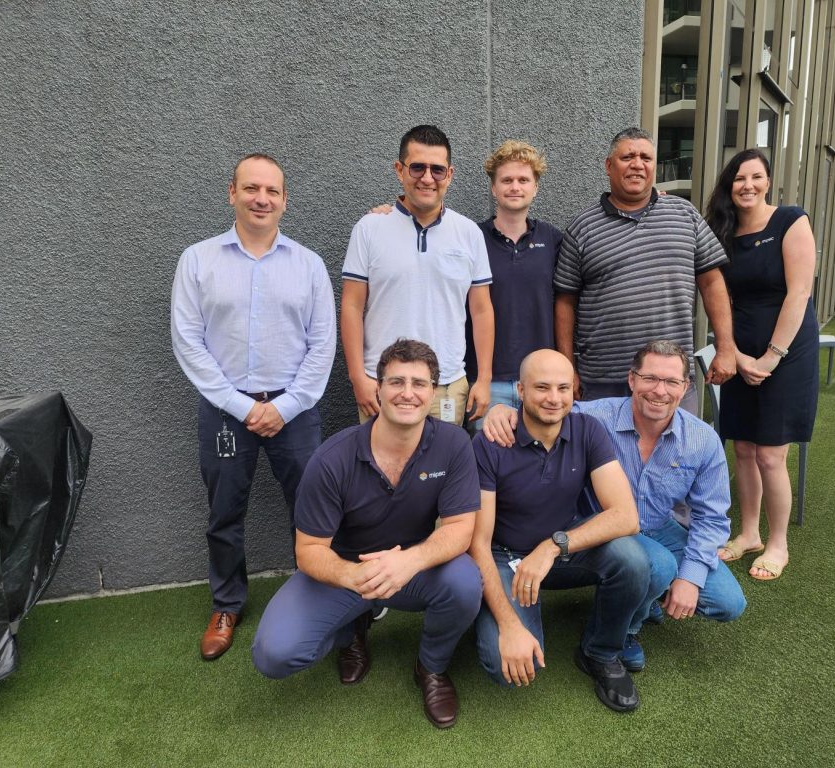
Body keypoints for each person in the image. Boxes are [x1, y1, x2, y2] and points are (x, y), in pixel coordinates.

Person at [251, 340, 482, 730]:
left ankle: (431, 667)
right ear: (377, 389)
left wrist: (409, 561)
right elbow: (308, 550)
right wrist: (354, 578)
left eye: (419, 383)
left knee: (464, 581)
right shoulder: (331, 459)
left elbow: (461, 528)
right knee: (274, 654)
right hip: (346, 570)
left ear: (432, 393)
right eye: (396, 381)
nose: (407, 393)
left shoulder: (453, 443)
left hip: (413, 568)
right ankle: (352, 629)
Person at [482, 341, 746, 662]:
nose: (659, 390)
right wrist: (500, 410)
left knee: (727, 602)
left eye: (671, 382)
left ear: (685, 387)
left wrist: (690, 577)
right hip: (606, 527)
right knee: (654, 565)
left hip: (660, 527)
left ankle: (642, 601)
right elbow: (550, 405)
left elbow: (712, 518)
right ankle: (626, 630)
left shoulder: (702, 439)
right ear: (632, 380)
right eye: (649, 378)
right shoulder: (596, 418)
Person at [171, 153, 336, 660]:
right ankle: (227, 603)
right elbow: (188, 342)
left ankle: (315, 598)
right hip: (226, 411)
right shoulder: (198, 260)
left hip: (296, 412)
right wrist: (242, 408)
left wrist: (284, 407)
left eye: (272, 191)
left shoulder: (308, 264)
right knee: (224, 512)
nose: (261, 198)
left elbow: (322, 345)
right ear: (232, 193)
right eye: (251, 188)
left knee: (311, 512)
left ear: (285, 200)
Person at [470, 350, 648, 713]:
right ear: (520, 390)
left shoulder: (587, 430)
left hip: (560, 548)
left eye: (563, 387)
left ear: (574, 391)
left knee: (632, 559)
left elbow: (626, 516)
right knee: (510, 669)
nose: (554, 397)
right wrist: (508, 624)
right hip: (506, 556)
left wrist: (553, 547)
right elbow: (478, 544)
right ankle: (485, 612)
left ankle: (600, 652)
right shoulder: (490, 443)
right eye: (542, 387)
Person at [553, 127, 737, 411]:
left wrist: (725, 347)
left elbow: (712, 283)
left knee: (675, 456)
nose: (637, 164)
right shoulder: (582, 228)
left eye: (646, 158)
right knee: (604, 456)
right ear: (609, 166)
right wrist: (568, 367)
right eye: (627, 156)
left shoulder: (685, 214)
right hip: (603, 384)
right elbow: (565, 301)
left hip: (671, 378)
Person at [704, 149, 818, 581]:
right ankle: (749, 532)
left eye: (755, 177)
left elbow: (798, 294)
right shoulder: (724, 231)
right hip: (741, 350)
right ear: (729, 185)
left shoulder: (790, 221)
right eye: (738, 178)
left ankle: (777, 543)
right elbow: (722, 297)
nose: (746, 185)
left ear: (768, 181)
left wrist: (771, 357)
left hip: (787, 352)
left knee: (771, 454)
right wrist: (734, 353)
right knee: (745, 449)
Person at [341, 125, 494, 427]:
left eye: (437, 170)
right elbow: (351, 306)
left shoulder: (468, 233)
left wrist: (484, 378)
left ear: (449, 175)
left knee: (443, 472)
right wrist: (358, 376)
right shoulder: (369, 229)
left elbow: (481, 309)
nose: (427, 178)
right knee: (381, 471)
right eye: (417, 168)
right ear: (400, 170)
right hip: (383, 384)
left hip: (447, 385)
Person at [464, 141, 563, 429]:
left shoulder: (553, 240)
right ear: (494, 188)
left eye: (523, 180)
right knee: (488, 464)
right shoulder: (472, 238)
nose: (515, 187)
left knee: (537, 465)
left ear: (535, 188)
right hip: (486, 381)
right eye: (506, 180)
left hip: (541, 382)